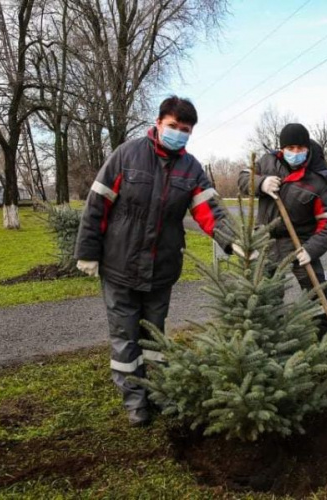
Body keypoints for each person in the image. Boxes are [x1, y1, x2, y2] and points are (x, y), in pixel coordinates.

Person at [74, 96, 232, 426]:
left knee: (154, 338)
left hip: (162, 269)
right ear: (159, 123)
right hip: (120, 266)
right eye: (173, 126)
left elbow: (209, 212)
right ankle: (135, 401)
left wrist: (235, 242)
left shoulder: (191, 169)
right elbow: (97, 204)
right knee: (125, 337)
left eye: (185, 130)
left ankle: (157, 392)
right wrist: (87, 252)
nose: (178, 133)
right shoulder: (127, 156)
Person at [238, 123, 327, 359]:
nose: (295, 152)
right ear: (282, 147)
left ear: (307, 148)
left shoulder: (320, 179)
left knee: (316, 290)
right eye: (290, 147)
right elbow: (243, 178)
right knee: (266, 294)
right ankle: (268, 348)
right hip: (265, 239)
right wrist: (260, 183)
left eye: (300, 147)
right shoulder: (267, 162)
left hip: (300, 242)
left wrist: (311, 249)